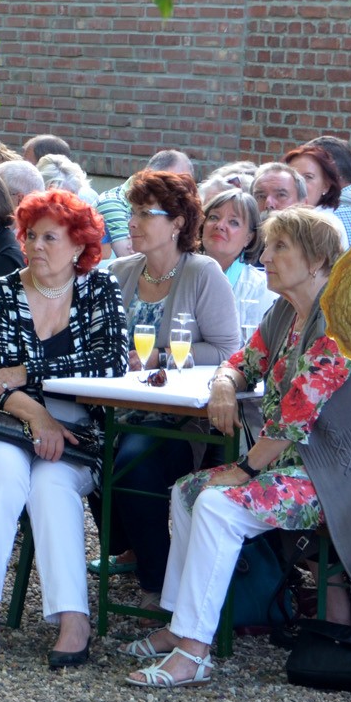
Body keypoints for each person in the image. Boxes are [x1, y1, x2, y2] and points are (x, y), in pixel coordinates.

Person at [123, 207, 351, 687]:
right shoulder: (286, 311)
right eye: (268, 246)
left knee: (217, 503)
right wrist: (223, 383)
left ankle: (195, 654)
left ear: (319, 258)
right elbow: (242, 360)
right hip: (285, 465)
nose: (265, 257)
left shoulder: (342, 324)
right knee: (186, 492)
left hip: (333, 478)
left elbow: (294, 417)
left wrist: (242, 467)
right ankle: (181, 627)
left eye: (281, 247)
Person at [0, 188, 126, 665]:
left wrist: (29, 371)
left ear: (78, 244)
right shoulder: (1, 292)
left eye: (51, 237)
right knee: (5, 469)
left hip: (74, 433)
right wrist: (37, 413)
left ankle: (73, 616)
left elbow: (110, 363)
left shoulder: (100, 288)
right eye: (31, 235)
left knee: (49, 485)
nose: (37, 245)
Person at [103, 171, 239, 607]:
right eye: (132, 212)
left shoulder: (203, 273)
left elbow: (226, 350)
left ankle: (156, 583)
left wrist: (159, 356)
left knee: (130, 462)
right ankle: (133, 547)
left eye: (146, 213)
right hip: (113, 405)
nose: (133, 222)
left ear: (179, 222)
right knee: (79, 450)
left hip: (178, 417)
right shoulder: (119, 271)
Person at [96, 149, 195, 262]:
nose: (179, 195)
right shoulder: (111, 203)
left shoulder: (202, 270)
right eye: (168, 185)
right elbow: (129, 257)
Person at [199, 189, 274, 326]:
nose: (220, 226)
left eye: (233, 222)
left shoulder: (260, 287)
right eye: (214, 217)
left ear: (248, 238)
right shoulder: (181, 272)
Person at [283, 146, 349, 247]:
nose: (299, 183)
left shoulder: (323, 225)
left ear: (326, 186)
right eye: (293, 176)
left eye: (308, 177)